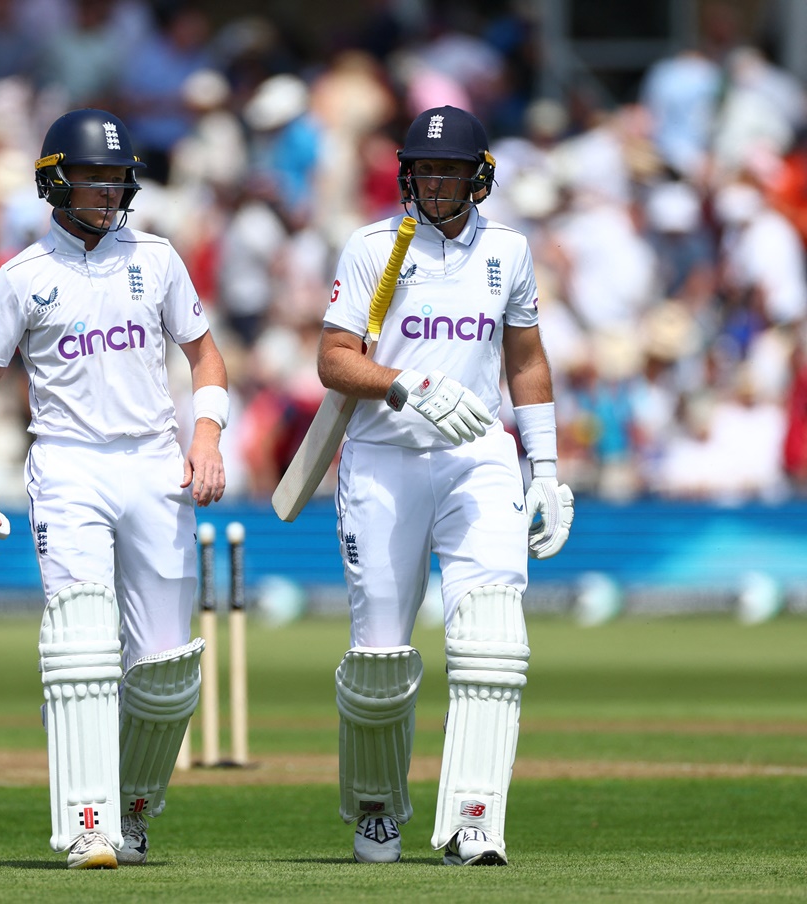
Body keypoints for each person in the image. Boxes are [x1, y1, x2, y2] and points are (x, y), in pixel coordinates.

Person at [0, 108, 228, 870]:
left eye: (117, 177)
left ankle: (132, 805)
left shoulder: (156, 259)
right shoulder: (22, 276)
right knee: (83, 646)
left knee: (165, 670)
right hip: (68, 466)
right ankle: (89, 823)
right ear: (55, 180)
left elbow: (207, 357)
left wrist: (209, 437)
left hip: (155, 462)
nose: (108, 190)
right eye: (92, 177)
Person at [317, 105, 573, 866]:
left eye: (449, 171)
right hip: (384, 458)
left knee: (493, 636)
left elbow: (526, 362)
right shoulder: (373, 247)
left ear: (478, 177)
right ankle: (376, 812)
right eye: (423, 170)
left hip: (478, 458)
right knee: (380, 659)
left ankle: (474, 820)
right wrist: (401, 386)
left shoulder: (510, 252)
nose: (434, 183)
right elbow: (335, 359)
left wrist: (547, 470)